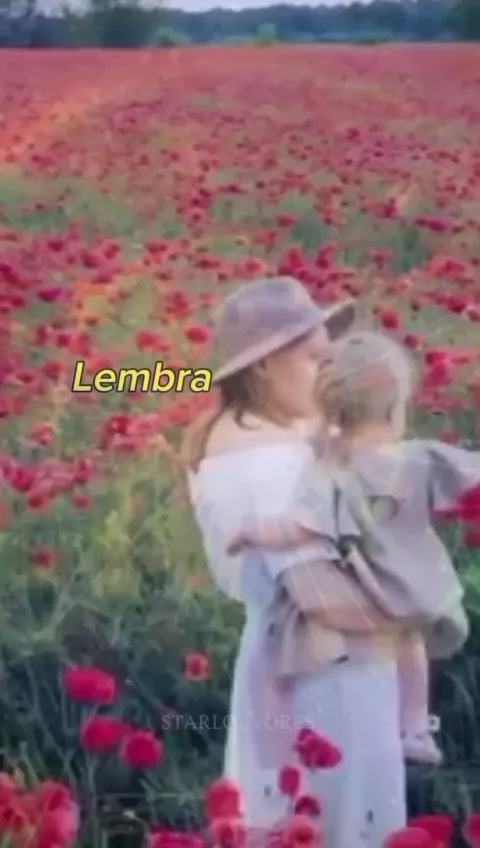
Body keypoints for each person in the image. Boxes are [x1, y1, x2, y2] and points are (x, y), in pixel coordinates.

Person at [184, 276, 407, 847]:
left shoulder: (244, 439)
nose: (329, 373)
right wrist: (413, 615)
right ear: (263, 366)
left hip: (286, 667)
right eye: (314, 359)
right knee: (333, 824)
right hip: (327, 683)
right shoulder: (273, 465)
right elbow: (320, 597)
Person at [227, 331, 480, 767]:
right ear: (394, 407)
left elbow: (296, 530)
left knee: (397, 641)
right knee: (412, 640)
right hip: (420, 583)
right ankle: (416, 728)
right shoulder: (419, 457)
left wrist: (250, 531)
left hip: (371, 587)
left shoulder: (333, 468)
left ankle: (398, 727)